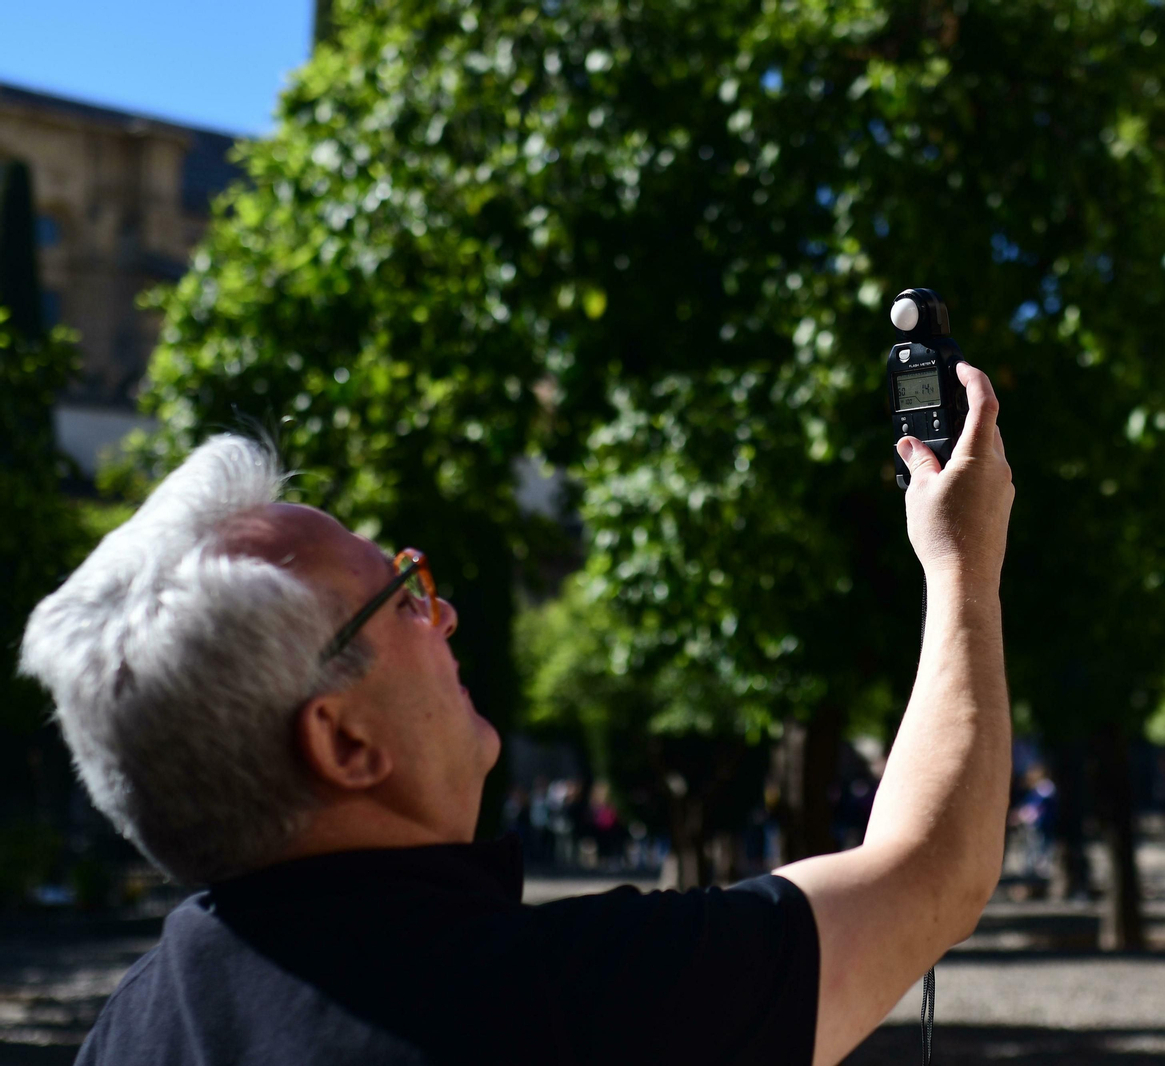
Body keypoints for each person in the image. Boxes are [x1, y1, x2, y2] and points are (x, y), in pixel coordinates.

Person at [21, 363, 1014, 1066]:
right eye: (400, 593)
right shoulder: (556, 1005)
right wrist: (960, 561)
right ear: (341, 739)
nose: (445, 610)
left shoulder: (128, 1033)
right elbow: (933, 872)